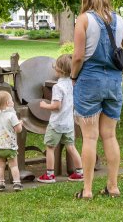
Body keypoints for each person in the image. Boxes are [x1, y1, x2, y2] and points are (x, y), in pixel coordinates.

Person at [71, 0, 123, 199]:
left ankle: (88, 190)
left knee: (90, 137)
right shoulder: (121, 20)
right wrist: (118, 73)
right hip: (114, 83)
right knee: (110, 135)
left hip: (89, 81)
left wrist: (73, 77)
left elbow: (78, 57)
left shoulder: (83, 20)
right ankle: (113, 186)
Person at [37, 54, 84, 183]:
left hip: (56, 124)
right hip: (68, 123)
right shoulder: (72, 84)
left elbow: (57, 106)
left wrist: (45, 105)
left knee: (50, 147)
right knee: (71, 146)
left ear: (59, 70)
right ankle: (79, 173)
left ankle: (50, 175)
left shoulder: (58, 87)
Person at [0, 91, 24, 192]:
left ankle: (0, 183)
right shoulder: (11, 115)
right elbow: (18, 129)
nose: (13, 102)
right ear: (8, 103)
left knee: (0, 166)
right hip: (9, 146)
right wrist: (20, 123)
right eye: (11, 100)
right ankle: (17, 183)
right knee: (14, 165)